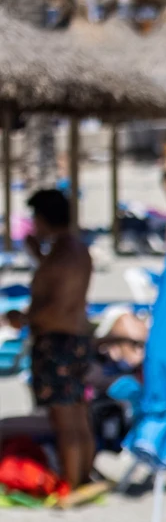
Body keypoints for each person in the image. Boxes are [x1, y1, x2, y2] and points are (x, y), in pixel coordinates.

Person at [6, 190, 95, 487]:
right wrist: (38, 256)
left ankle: (71, 482)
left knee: (64, 418)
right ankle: (81, 476)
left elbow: (56, 308)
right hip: (73, 339)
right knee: (76, 414)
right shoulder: (73, 250)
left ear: (43, 219)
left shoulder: (62, 256)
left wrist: (24, 319)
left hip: (59, 342)